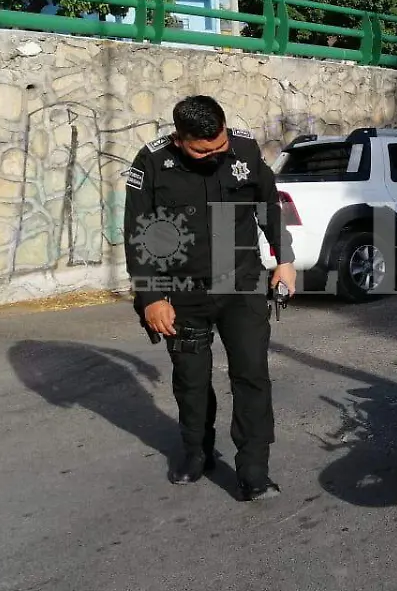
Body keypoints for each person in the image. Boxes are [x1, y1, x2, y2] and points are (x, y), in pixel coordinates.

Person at [122, 94, 296, 500]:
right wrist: (151, 297)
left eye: (220, 145)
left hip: (241, 285)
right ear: (180, 139)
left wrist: (284, 260)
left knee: (251, 375)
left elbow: (268, 206)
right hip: (183, 294)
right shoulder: (152, 162)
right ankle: (196, 451)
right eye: (203, 150)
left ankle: (254, 471)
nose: (216, 154)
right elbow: (137, 231)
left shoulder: (244, 149)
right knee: (191, 379)